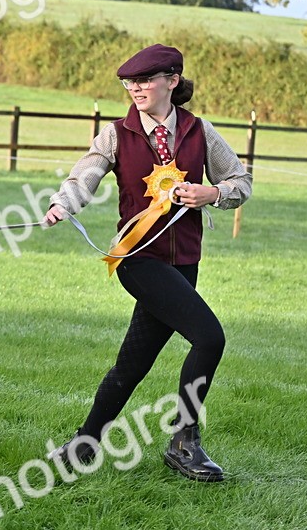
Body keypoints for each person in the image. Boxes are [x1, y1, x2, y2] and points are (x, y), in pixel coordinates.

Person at [43, 44, 251, 482]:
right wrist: (63, 204)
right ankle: (184, 443)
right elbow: (86, 175)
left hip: (185, 262)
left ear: (172, 82)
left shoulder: (200, 131)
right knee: (210, 338)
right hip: (138, 258)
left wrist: (211, 194)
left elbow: (239, 180)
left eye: (144, 81)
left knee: (132, 364)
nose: (135, 89)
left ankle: (84, 444)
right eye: (129, 83)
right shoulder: (116, 133)